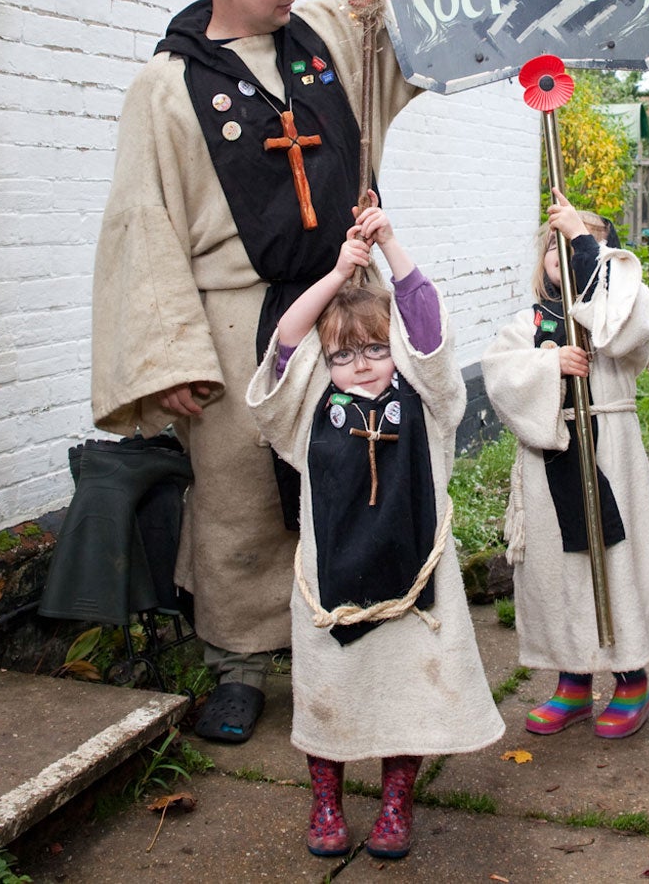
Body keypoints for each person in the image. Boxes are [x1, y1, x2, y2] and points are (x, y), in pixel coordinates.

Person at [89, 0, 418, 744]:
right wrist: (170, 357)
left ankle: (354, 630)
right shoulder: (164, 88)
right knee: (238, 495)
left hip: (345, 302)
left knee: (362, 467)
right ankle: (239, 662)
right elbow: (142, 218)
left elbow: (380, 41)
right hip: (238, 318)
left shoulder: (314, 43)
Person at [245, 205, 504, 859]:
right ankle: (326, 797)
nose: (360, 364)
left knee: (407, 691)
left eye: (374, 349)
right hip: (330, 582)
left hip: (413, 585)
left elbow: (424, 323)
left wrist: (391, 246)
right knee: (329, 693)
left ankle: (396, 798)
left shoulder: (426, 402)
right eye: (344, 353)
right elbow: (283, 341)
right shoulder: (309, 409)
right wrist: (338, 275)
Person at [481, 196, 649, 739]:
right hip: (550, 456)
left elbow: (627, 330)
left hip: (611, 454)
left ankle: (630, 680)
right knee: (558, 572)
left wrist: (584, 244)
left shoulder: (618, 313)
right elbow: (501, 377)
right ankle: (572, 683)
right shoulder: (526, 323)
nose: (568, 250)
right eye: (557, 242)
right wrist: (550, 363)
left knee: (617, 562)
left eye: (583, 242)